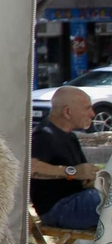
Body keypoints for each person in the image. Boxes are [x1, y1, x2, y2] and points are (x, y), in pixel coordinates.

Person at [30, 85, 102, 229]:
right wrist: (72, 172)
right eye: (87, 108)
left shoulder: (70, 137)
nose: (93, 114)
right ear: (67, 112)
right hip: (59, 208)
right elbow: (30, 167)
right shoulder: (43, 135)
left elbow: (82, 178)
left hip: (79, 199)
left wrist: (95, 179)